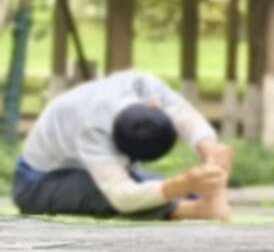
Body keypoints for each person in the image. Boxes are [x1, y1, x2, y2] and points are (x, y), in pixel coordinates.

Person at [12, 69, 232, 221]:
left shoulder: (139, 84)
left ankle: (194, 200)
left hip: (81, 168)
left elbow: (181, 112)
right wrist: (178, 185)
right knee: (112, 195)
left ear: (154, 106)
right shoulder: (93, 131)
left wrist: (209, 149)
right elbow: (122, 196)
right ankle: (192, 210)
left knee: (171, 187)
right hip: (36, 183)